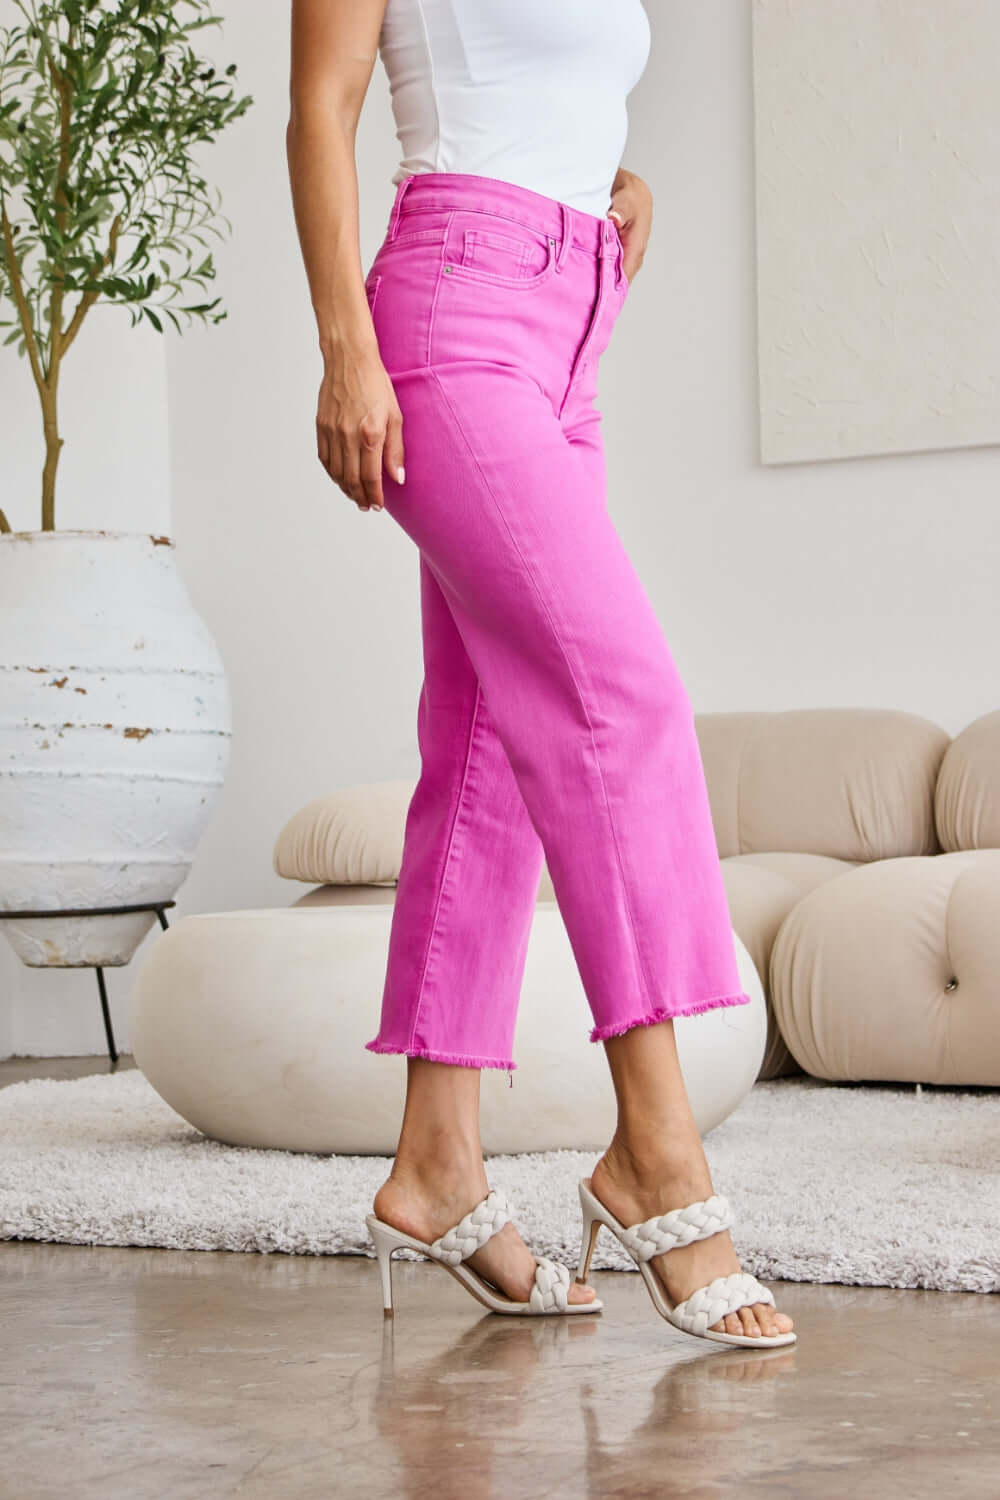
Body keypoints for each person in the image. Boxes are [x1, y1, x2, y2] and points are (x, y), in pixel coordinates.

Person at [286, 0, 795, 1346]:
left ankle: (437, 1161)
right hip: (449, 310)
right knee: (617, 702)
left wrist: (608, 195)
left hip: (569, 321)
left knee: (489, 748)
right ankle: (657, 1154)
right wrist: (345, 347)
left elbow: (547, 92)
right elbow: (321, 108)